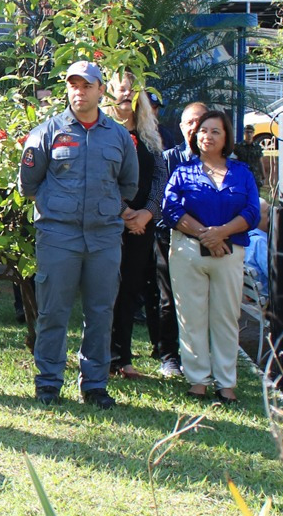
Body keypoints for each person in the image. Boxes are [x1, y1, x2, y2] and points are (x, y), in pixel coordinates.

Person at [21, 61, 138, 409]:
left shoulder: (118, 135)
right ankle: (48, 384)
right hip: (58, 235)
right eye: (73, 85)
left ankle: (95, 385)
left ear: (101, 90)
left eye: (86, 85)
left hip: (103, 238)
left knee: (101, 312)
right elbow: (28, 183)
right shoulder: (48, 131)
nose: (79, 92)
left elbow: (128, 184)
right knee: (53, 312)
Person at [162, 110, 259, 404]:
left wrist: (222, 234)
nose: (207, 136)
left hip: (229, 252)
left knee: (226, 318)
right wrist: (207, 234)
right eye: (203, 131)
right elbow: (171, 210)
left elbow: (252, 212)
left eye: (215, 131)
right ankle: (197, 381)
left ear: (227, 137)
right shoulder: (182, 172)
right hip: (187, 252)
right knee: (191, 317)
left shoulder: (242, 173)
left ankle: (226, 384)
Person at [103, 73, 166, 380]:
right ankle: (102, 357)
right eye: (120, 89)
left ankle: (123, 359)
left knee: (130, 292)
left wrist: (146, 214)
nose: (126, 94)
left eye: (131, 90)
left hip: (143, 226)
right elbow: (101, 179)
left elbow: (159, 179)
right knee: (105, 291)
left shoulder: (149, 134)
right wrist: (125, 212)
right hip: (109, 224)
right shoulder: (103, 133)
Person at [150, 101, 208, 378]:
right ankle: (169, 356)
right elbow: (164, 203)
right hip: (170, 238)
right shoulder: (169, 158)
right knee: (169, 300)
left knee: (206, 301)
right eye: (190, 122)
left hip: (212, 241)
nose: (195, 128)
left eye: (201, 122)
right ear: (182, 127)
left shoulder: (221, 163)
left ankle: (202, 357)